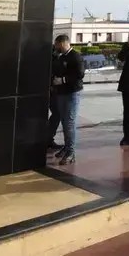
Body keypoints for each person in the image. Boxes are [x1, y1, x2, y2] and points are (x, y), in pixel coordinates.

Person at [49, 35, 84, 165]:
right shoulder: (61, 57)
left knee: (69, 123)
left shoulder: (75, 56)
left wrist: (63, 80)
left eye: (57, 44)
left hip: (71, 93)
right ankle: (67, 147)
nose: (56, 47)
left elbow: (80, 74)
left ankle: (71, 152)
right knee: (64, 122)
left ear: (63, 43)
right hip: (61, 93)